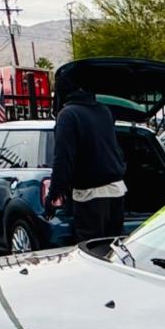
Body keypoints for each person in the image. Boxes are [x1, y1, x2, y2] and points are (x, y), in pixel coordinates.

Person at [48, 80, 126, 242]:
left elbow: (63, 160)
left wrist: (53, 195)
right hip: (117, 190)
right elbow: (115, 149)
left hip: (90, 196)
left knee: (91, 250)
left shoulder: (68, 115)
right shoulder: (104, 111)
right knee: (113, 247)